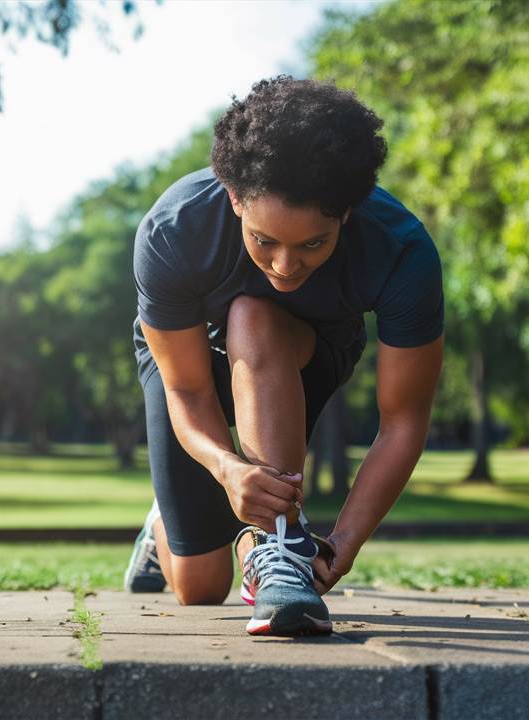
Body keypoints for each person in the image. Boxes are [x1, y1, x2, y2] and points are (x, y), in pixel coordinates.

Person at [122, 76, 444, 636]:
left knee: (256, 313)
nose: (285, 267)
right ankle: (161, 530)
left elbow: (403, 419)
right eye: (264, 240)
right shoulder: (173, 231)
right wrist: (226, 467)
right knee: (199, 589)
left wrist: (343, 543)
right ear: (234, 198)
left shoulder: (402, 251)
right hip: (189, 358)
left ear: (347, 213)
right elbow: (188, 389)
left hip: (305, 354)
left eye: (313, 244)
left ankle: (281, 555)